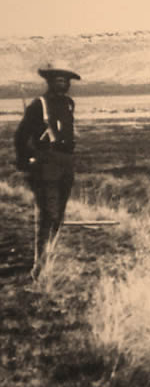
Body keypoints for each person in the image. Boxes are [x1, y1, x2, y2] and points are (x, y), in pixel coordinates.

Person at [14, 63, 81, 280]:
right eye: (58, 79)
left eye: (66, 79)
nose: (63, 83)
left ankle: (50, 257)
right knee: (49, 214)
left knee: (59, 215)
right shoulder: (38, 105)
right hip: (46, 166)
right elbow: (20, 137)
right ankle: (41, 266)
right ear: (49, 81)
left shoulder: (69, 104)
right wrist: (29, 162)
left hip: (65, 163)